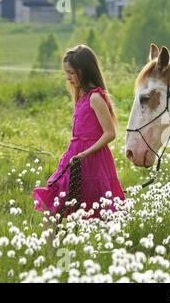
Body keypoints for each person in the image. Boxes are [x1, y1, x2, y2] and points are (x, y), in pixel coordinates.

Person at [33, 44, 125, 220]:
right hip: (75, 155)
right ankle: (52, 246)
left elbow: (110, 133)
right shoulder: (81, 95)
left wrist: (85, 153)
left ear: (84, 70)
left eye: (72, 73)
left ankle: (82, 243)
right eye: (66, 73)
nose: (68, 78)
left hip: (93, 160)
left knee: (94, 207)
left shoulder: (96, 98)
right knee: (53, 198)